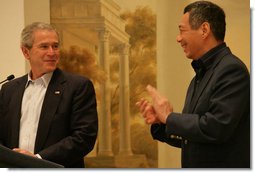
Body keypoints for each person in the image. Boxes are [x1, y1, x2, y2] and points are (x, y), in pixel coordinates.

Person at [136, 1, 250, 168]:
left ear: (204, 29)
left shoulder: (232, 70)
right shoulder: (200, 75)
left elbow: (216, 128)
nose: (178, 38)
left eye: (182, 30)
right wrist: (161, 122)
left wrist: (169, 117)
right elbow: (194, 138)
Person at [0, 22, 98, 168]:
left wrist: (37, 160)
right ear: (26, 52)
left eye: (55, 46)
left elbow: (84, 137)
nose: (52, 52)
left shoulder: (77, 86)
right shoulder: (9, 89)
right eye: (44, 47)